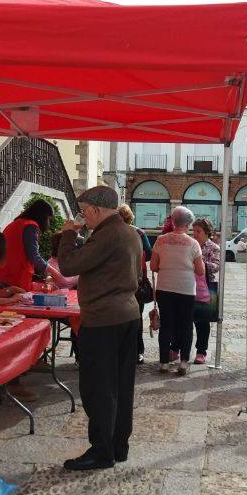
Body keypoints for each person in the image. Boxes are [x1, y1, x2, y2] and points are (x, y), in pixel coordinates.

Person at [54, 186, 142, 471]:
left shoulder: (108, 235)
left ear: (95, 209)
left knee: (98, 388)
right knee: (121, 385)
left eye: (84, 212)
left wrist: (68, 234)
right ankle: (118, 445)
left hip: (104, 320)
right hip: (127, 315)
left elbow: (68, 266)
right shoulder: (130, 232)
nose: (83, 218)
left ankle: (102, 451)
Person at [150, 206, 205, 375]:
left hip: (165, 287)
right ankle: (183, 363)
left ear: (173, 221)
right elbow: (200, 270)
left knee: (166, 325)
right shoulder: (193, 243)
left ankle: (164, 363)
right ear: (188, 223)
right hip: (186, 288)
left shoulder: (161, 240)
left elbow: (153, 266)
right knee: (186, 325)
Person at [118, 204, 152, 364]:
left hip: (117, 281)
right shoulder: (139, 232)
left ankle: (121, 350)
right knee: (136, 317)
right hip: (137, 281)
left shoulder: (113, 233)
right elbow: (149, 253)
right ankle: (138, 351)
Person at [0, 199, 54, 292]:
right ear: (43, 216)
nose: (48, 223)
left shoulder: (19, 223)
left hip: (5, 275)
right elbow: (33, 256)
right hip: (12, 278)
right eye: (49, 218)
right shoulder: (30, 226)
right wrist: (53, 272)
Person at [192, 217, 220, 365]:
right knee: (186, 317)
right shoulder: (190, 244)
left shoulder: (214, 247)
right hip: (189, 284)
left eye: (198, 231)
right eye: (194, 230)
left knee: (203, 320)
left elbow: (216, 266)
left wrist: (199, 261)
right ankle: (177, 347)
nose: (195, 234)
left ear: (207, 232)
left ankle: (201, 351)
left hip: (208, 285)